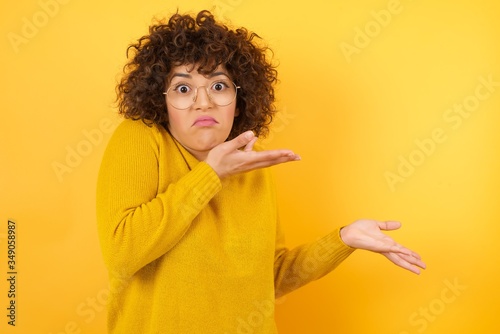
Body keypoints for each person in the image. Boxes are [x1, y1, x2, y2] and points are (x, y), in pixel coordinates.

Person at [96, 9, 426, 334]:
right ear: (162, 99)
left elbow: (270, 279)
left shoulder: (254, 164)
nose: (204, 102)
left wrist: (343, 239)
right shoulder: (141, 138)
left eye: (219, 86)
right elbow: (123, 253)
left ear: (239, 101)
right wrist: (211, 174)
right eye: (183, 89)